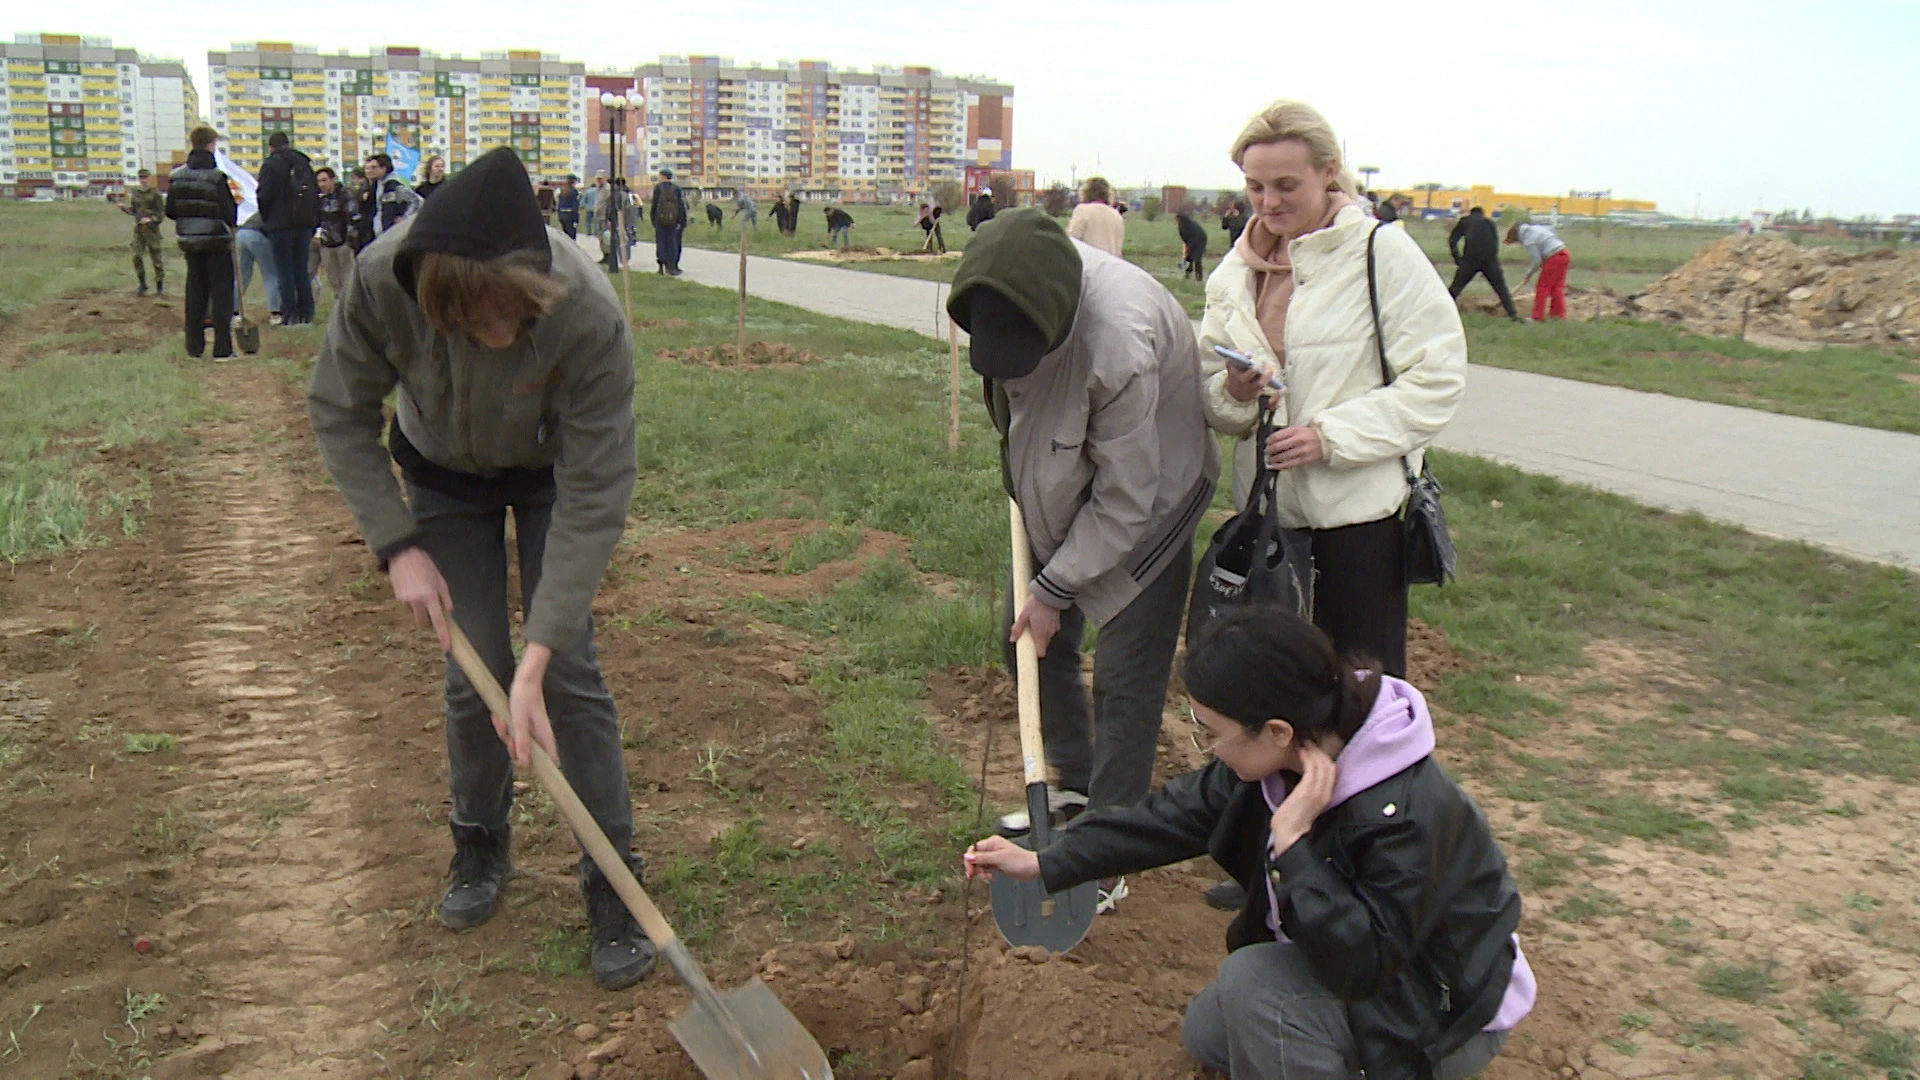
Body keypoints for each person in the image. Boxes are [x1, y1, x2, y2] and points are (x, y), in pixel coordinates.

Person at [307, 146, 656, 993]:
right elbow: (338, 410)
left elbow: (596, 491)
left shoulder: (588, 314)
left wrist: (537, 656)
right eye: (481, 323)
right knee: (474, 673)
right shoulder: (384, 279)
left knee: (565, 672)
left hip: (548, 479)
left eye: (515, 321)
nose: (502, 340)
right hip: (440, 477)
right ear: (439, 296)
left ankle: (615, 884)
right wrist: (397, 546)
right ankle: (478, 845)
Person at [964, 605, 1533, 1080]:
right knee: (1212, 1032)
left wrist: (1295, 847)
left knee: (1254, 989)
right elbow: (1168, 817)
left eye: (1210, 734)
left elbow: (1365, 964)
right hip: (1361, 968)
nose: (1205, 750)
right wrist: (1046, 861)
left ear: (1277, 731)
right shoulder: (1278, 757)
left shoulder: (1406, 815)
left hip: (1438, 1007)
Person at [947, 208, 1219, 913]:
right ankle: (1073, 784)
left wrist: (1058, 585)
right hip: (1065, 486)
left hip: (1150, 500)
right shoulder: (1003, 279)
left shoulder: (1117, 343)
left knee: (1126, 679)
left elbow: (1127, 500)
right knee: (1028, 635)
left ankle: (1108, 847)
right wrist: (1044, 585)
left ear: (1057, 325)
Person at [1199, 98, 1465, 680]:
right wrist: (1236, 390)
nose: (1269, 203)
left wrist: (1328, 437)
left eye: (1286, 184)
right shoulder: (1233, 277)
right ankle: (1287, 779)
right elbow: (1212, 397)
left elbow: (1438, 380)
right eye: (1255, 186)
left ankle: (1368, 776)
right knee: (1278, 692)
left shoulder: (1380, 254)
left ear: (1328, 170)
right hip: (1268, 518)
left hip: (1356, 524)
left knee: (1359, 692)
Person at [164, 125, 236, 359]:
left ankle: (194, 348)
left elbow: (171, 211)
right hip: (216, 241)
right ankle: (222, 349)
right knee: (221, 295)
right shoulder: (217, 177)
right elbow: (229, 212)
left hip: (190, 241)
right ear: (210, 145)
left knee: (195, 293)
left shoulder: (177, 177)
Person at [257, 131, 318, 325]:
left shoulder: (270, 165)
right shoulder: (304, 163)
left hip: (279, 225)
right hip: (303, 225)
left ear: (271, 147)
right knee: (301, 268)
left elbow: (264, 196)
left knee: (284, 271)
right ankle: (306, 313)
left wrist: (267, 220)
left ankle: (290, 315)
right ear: (289, 144)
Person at [1447, 207, 1520, 321]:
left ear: (1471, 213)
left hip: (1470, 259)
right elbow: (1495, 243)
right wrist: (1492, 264)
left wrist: (1458, 259)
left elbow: (1452, 240)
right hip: (1489, 259)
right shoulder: (1489, 222)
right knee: (1501, 289)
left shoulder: (1465, 221)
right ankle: (1513, 315)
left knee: (1456, 288)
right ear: (1483, 213)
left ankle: (1442, 311)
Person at [1508, 220, 1569, 320]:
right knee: (1557, 288)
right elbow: (1552, 230)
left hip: (1553, 257)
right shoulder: (1536, 228)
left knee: (1542, 288)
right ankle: (1558, 315)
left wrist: (1528, 275)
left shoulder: (1528, 240)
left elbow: (1536, 261)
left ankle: (1537, 317)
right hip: (1564, 253)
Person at [314, 166, 357, 302]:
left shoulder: (345, 195)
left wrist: (350, 240)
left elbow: (353, 217)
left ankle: (350, 305)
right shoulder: (319, 199)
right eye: (319, 181)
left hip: (343, 243)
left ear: (332, 179)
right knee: (333, 279)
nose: (322, 184)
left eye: (324, 180)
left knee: (347, 277)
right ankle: (339, 304)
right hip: (326, 244)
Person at [121, 168, 167, 296]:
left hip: (152, 231)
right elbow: (134, 211)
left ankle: (159, 286)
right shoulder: (135, 193)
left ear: (149, 178)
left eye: (145, 177)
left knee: (156, 259)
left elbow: (162, 212)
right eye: (141, 178)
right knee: (137, 257)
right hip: (139, 231)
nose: (143, 180)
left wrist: (151, 219)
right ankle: (142, 284)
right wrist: (124, 209)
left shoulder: (155, 193)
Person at [363, 153, 423, 242]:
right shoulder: (374, 186)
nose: (370, 171)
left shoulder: (395, 186)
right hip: (377, 235)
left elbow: (418, 201)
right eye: (367, 168)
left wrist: (405, 218)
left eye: (374, 167)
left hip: (392, 235)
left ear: (384, 168)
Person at [235, 212, 282, 325]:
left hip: (241, 233)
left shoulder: (267, 207)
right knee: (271, 275)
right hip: (257, 235)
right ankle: (276, 313)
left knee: (242, 275)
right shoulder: (284, 209)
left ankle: (232, 311)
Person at [1066, 176, 1125, 257]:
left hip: (1090, 263)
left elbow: (1072, 240)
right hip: (1112, 265)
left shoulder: (1082, 210)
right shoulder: (1116, 215)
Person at [649, 167, 687, 276]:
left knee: (661, 242)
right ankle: (672, 266)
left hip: (659, 221)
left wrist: (653, 219)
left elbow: (654, 205)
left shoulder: (658, 188)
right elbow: (680, 206)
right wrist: (681, 221)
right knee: (672, 243)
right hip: (673, 221)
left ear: (663, 176)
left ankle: (661, 267)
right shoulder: (676, 189)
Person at [600, 178, 633, 270]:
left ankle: (623, 259)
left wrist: (609, 219)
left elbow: (611, 208)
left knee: (621, 240)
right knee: (623, 240)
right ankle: (625, 260)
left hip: (619, 220)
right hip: (623, 220)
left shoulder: (616, 195)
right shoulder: (625, 194)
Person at [1176, 210, 1208, 281]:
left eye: (1178, 219)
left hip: (1200, 241)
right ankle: (1188, 275)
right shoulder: (1181, 226)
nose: (1177, 221)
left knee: (1197, 258)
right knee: (1188, 258)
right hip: (1190, 241)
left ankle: (1199, 277)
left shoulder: (1192, 226)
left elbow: (1195, 238)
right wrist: (1186, 246)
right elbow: (1183, 237)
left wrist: (1189, 248)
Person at [556, 175, 580, 240]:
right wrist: (576, 218)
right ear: (574, 182)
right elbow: (575, 206)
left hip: (562, 215)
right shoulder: (574, 192)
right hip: (570, 215)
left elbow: (559, 205)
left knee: (565, 236)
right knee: (571, 237)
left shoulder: (562, 191)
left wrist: (559, 216)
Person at [581, 173, 603, 242]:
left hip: (589, 208)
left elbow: (583, 200)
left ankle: (589, 231)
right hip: (596, 208)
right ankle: (596, 231)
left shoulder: (587, 191)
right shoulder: (598, 191)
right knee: (596, 221)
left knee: (588, 221)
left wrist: (582, 206)